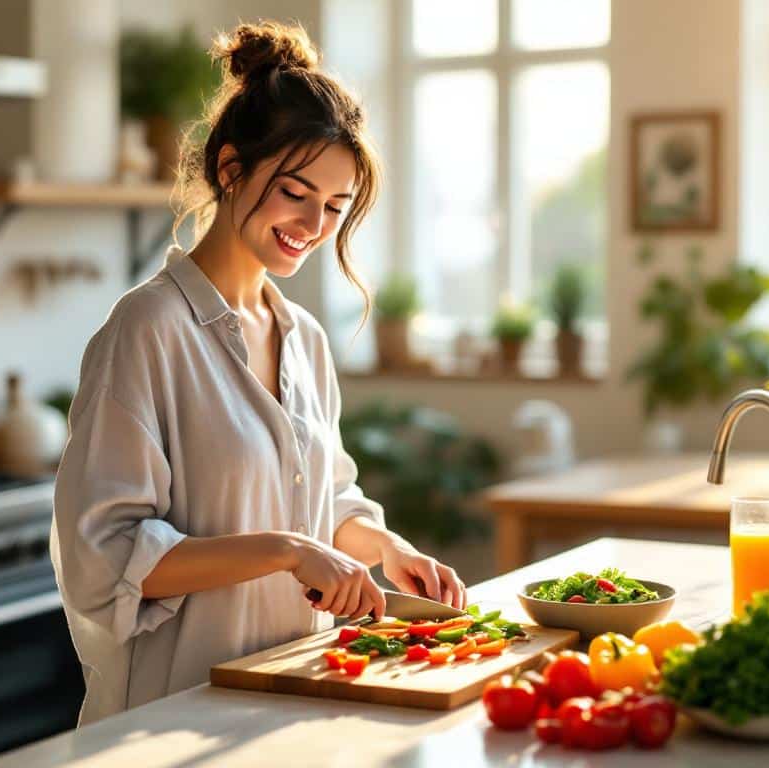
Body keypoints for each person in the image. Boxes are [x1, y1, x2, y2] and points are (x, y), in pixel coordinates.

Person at [51, 20, 466, 724]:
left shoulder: (302, 337)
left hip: (286, 699)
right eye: (296, 193)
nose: (313, 223)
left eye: (335, 207)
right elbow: (106, 554)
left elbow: (324, 498)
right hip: (167, 720)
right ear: (231, 169)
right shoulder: (147, 331)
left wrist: (386, 548)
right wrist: (286, 552)